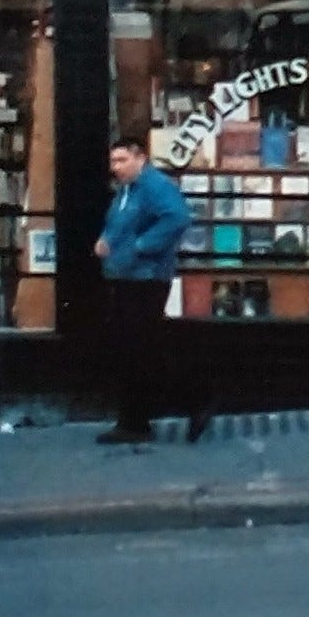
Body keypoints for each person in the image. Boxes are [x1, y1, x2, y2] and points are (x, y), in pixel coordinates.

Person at [93, 135, 205, 444]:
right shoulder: (127, 189)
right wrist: (106, 239)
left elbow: (178, 218)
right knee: (136, 350)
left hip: (146, 278)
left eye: (122, 160)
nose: (116, 167)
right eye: (113, 161)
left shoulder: (154, 186)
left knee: (140, 350)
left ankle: (189, 402)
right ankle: (138, 420)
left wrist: (141, 246)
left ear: (140, 158)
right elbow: (120, 222)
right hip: (127, 276)